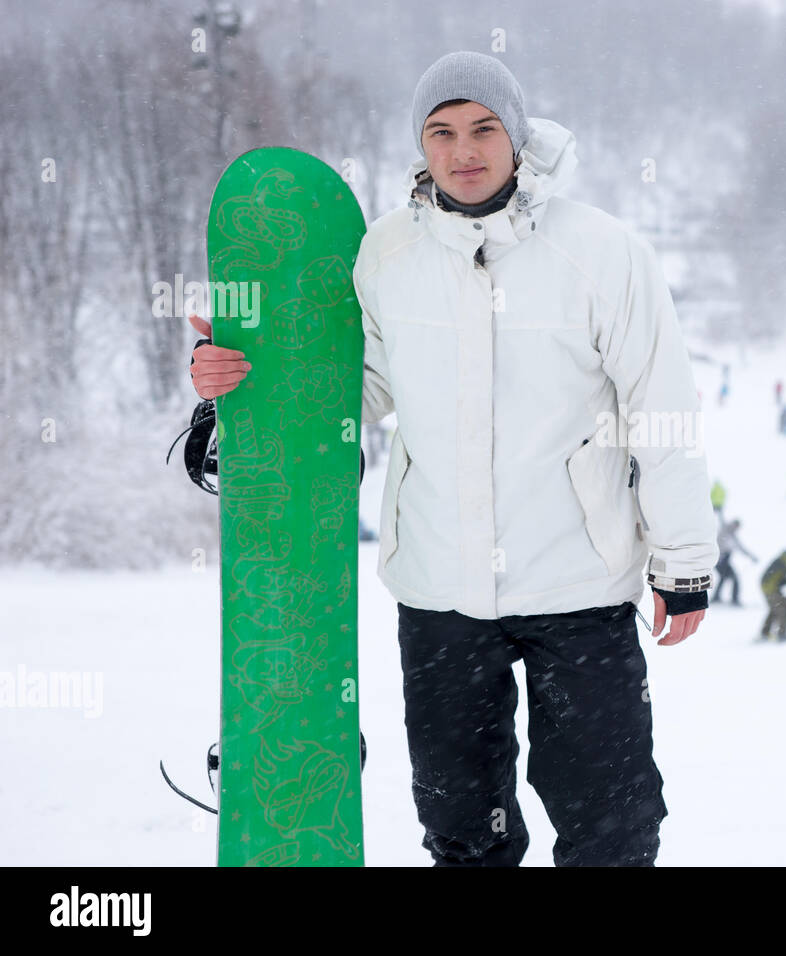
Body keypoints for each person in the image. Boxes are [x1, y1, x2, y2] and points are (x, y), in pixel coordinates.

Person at [187, 53, 716, 867]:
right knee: (464, 828)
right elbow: (352, 393)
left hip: (579, 584)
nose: (463, 150)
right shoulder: (388, 255)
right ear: (421, 145)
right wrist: (240, 393)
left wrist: (681, 562)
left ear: (517, 136)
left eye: (482, 128)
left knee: (611, 823)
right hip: (438, 591)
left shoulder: (603, 253)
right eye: (441, 132)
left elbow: (664, 412)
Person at [714, 518, 758, 606]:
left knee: (724, 578)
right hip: (720, 560)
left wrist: (751, 556)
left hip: (724, 560)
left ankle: (716, 597)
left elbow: (741, 548)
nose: (736, 529)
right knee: (734, 578)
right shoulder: (724, 532)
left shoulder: (732, 535)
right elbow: (718, 545)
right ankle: (733, 599)